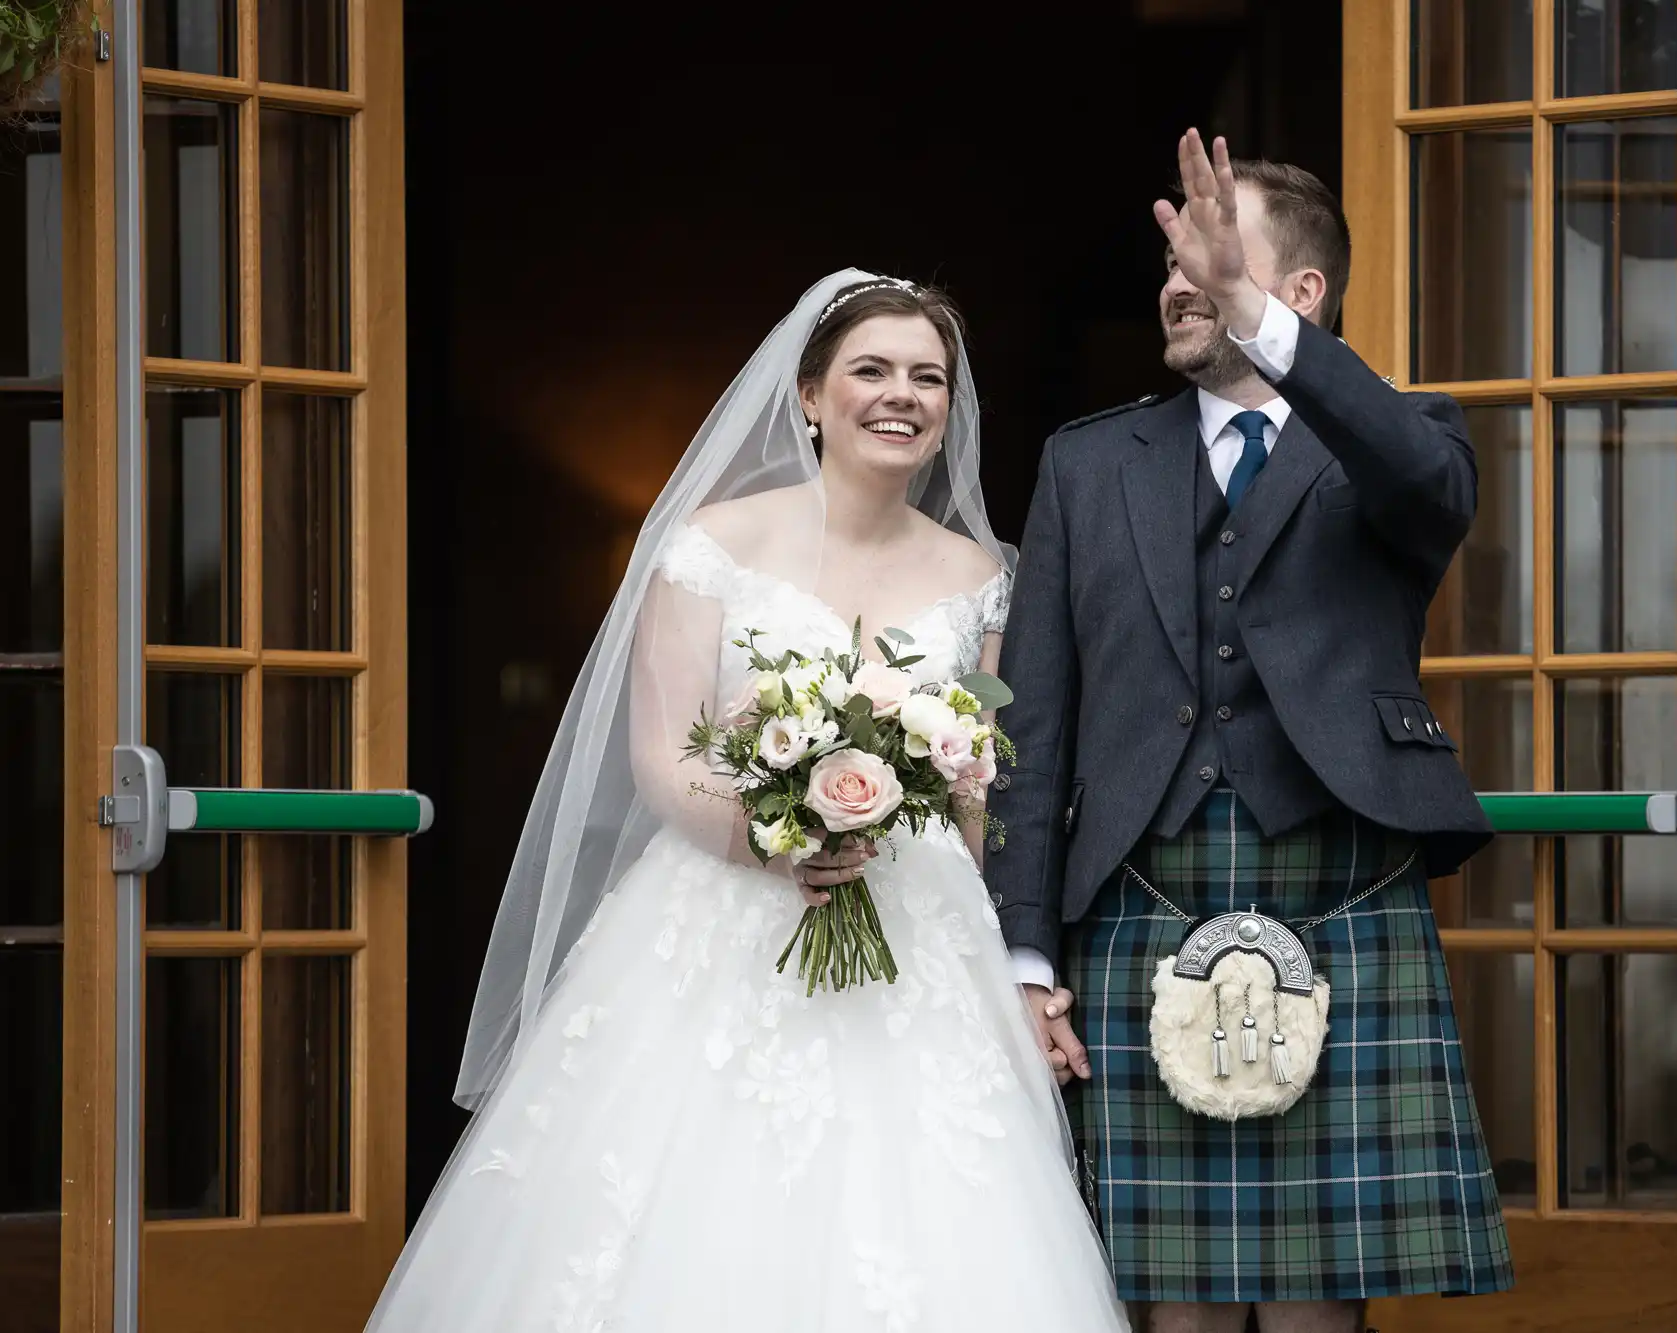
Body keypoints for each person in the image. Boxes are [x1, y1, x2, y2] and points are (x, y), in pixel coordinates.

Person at [367, 272, 1129, 1332]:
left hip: (921, 933)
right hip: (721, 917)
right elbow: (660, 754)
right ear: (810, 395)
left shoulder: (981, 574)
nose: (899, 395)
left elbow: (982, 783)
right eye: (870, 370)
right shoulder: (711, 545)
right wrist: (770, 839)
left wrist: (1010, 959)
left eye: (928, 377)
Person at [986, 133, 1515, 1333]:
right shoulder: (1085, 463)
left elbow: (1422, 485)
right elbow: (1035, 723)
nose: (1177, 275)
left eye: (1210, 252)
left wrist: (1259, 325)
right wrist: (1023, 952)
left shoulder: (1397, 438)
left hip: (1338, 892)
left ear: (1302, 292)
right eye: (1168, 254)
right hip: (1139, 899)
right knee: (1169, 1307)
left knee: (1314, 1306)